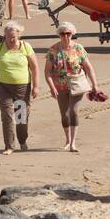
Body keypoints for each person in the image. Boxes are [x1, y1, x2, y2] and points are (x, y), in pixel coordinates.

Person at [0, 22, 38, 154]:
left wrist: (35, 86)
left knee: (21, 118)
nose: (11, 40)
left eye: (13, 37)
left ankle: (22, 141)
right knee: (6, 116)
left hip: (22, 88)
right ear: (5, 36)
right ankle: (9, 146)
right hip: (4, 87)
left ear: (18, 35)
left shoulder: (26, 47)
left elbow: (35, 68)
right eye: (8, 37)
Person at [45, 21, 98, 152]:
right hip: (60, 86)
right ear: (59, 35)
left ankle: (73, 142)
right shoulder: (53, 50)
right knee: (64, 114)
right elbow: (47, 72)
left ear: (72, 34)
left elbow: (88, 68)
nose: (66, 36)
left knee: (73, 112)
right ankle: (67, 140)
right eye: (63, 34)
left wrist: (95, 85)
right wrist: (52, 87)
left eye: (68, 33)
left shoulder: (78, 48)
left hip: (77, 84)